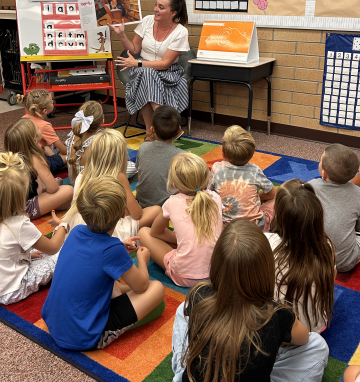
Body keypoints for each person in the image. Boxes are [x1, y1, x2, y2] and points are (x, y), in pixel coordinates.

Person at [172, 220, 329, 382]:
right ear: (266, 269)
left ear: (217, 264)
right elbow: (303, 338)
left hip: (195, 378)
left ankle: (180, 375)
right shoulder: (276, 314)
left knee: (183, 308)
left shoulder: (198, 293)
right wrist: (274, 338)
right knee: (317, 344)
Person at [42, 175, 165, 350]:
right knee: (157, 288)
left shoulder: (76, 231)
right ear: (123, 213)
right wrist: (142, 260)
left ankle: (120, 293)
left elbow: (94, 255)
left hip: (54, 322)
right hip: (84, 335)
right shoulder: (111, 250)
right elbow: (142, 286)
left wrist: (120, 247)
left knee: (109, 277)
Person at [110, 0, 190, 141]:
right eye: (156, 5)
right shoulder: (147, 21)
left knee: (146, 75)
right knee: (146, 74)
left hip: (168, 72)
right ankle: (166, 127)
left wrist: (138, 63)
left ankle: (151, 132)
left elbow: (165, 63)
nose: (155, 9)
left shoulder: (181, 31)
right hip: (142, 69)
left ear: (173, 13)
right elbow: (134, 50)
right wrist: (121, 34)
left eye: (161, 7)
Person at [53, 129, 160, 239]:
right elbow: (137, 214)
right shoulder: (119, 177)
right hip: (109, 229)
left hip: (80, 225)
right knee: (156, 210)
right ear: (120, 156)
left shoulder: (82, 174)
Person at [138, 152, 223, 288]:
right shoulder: (216, 198)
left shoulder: (172, 202)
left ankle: (184, 247)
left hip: (184, 276)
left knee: (143, 232)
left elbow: (155, 232)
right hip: (217, 273)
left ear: (175, 184)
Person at [265, 179, 336, 333]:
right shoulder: (326, 246)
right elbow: (332, 276)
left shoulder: (267, 243)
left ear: (279, 215)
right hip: (317, 326)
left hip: (280, 332)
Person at [0, 152, 67, 305]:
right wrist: (63, 226)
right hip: (13, 290)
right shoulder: (19, 223)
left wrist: (27, 253)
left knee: (38, 254)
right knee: (68, 248)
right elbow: (52, 248)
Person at [208, 125, 277, 231]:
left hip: (226, 229)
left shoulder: (216, 168)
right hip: (255, 228)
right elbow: (273, 193)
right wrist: (256, 197)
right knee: (277, 200)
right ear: (252, 154)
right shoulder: (254, 170)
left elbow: (209, 193)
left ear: (223, 154)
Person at [4, 119, 73, 220]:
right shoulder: (35, 158)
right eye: (37, 128)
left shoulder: (9, 158)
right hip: (22, 210)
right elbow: (53, 189)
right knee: (69, 190)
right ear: (35, 140)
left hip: (6, 206)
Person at [309, 144, 360, 272]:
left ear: (324, 173)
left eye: (320, 161)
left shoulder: (310, 186)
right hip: (345, 262)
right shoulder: (358, 193)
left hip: (311, 258)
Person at [135, 105, 183, 208]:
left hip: (141, 202)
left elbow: (139, 169)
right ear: (178, 130)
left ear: (152, 130)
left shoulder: (143, 147)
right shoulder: (181, 156)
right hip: (167, 206)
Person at [17, 89, 67, 174]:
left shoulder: (24, 118)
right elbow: (64, 150)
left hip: (25, 160)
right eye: (51, 102)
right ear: (45, 111)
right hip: (38, 165)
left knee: (46, 145)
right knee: (72, 155)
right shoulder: (44, 125)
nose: (53, 102)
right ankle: (53, 167)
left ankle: (56, 161)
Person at [65, 101, 104, 184]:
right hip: (90, 187)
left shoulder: (74, 132)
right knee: (129, 168)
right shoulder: (99, 142)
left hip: (74, 182)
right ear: (102, 121)